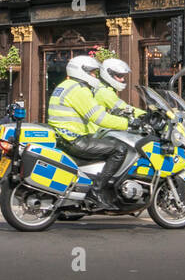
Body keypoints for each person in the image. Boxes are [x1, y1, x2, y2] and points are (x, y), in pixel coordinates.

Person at [46, 55, 131, 205]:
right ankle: (96, 191)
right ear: (81, 71)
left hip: (62, 137)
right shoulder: (79, 90)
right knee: (119, 149)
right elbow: (99, 118)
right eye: (92, 73)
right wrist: (127, 124)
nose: (94, 76)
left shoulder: (64, 86)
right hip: (74, 139)